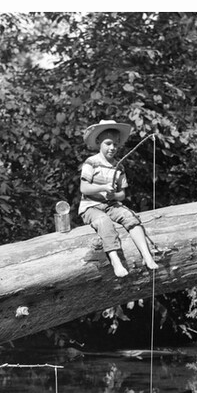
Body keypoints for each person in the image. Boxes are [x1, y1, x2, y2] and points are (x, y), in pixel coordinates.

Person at [79, 119, 160, 278]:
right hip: (90, 207)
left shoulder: (119, 167)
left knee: (131, 217)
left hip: (111, 205)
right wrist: (102, 188)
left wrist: (113, 195)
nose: (112, 148)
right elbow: (84, 188)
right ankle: (115, 261)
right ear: (98, 142)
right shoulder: (91, 162)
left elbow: (122, 194)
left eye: (115, 144)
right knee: (104, 221)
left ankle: (147, 255)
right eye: (108, 143)